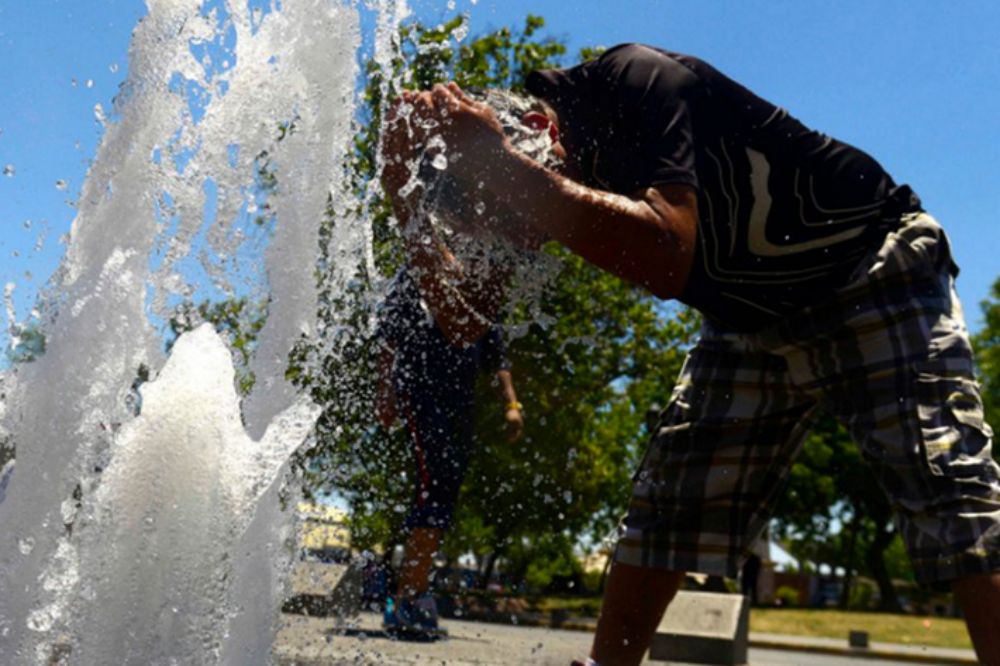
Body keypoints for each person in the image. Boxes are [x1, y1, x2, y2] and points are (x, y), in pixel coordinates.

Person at [382, 43, 1000, 665]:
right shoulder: (532, 177)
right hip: (749, 317)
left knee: (949, 487)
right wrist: (403, 202)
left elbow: (666, 253)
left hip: (868, 265)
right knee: (669, 505)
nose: (526, 238)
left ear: (536, 135)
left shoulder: (634, 79)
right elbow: (464, 321)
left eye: (513, 215)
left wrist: (504, 170)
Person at [375, 264, 524, 636]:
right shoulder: (419, 266)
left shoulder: (482, 272)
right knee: (435, 482)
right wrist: (385, 390)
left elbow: (496, 352)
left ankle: (413, 591)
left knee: (446, 489)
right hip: (419, 387)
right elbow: (390, 336)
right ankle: (407, 598)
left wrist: (512, 404)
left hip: (461, 398)